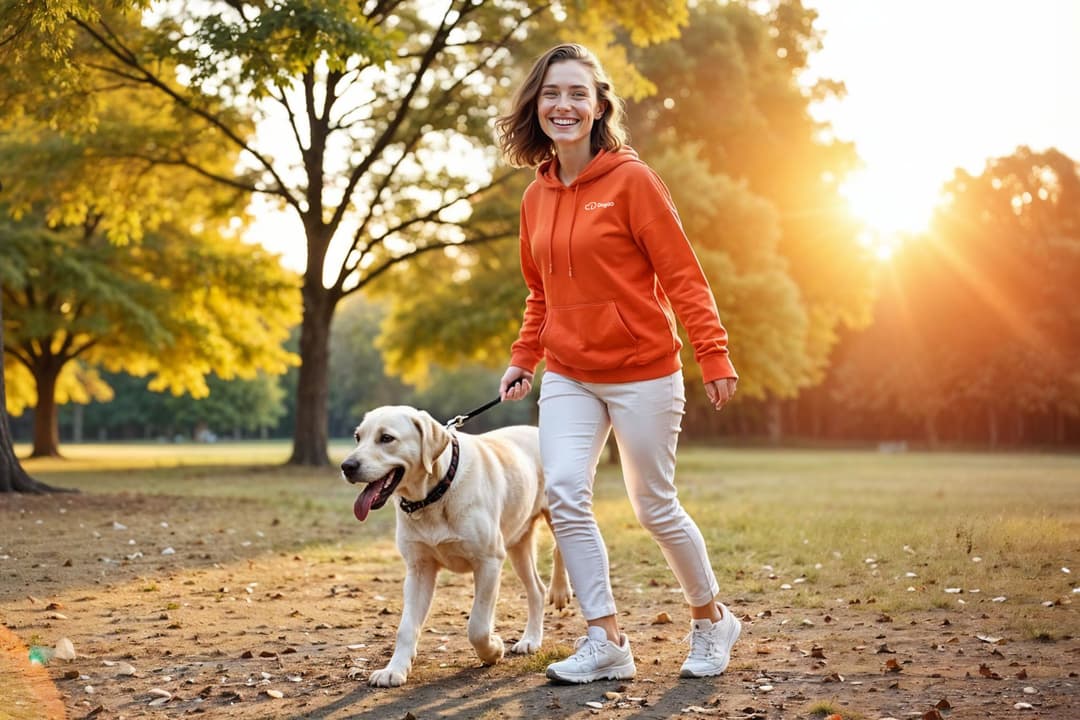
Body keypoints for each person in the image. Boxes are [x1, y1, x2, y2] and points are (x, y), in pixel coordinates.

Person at [494, 43, 741, 685]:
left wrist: (712, 352)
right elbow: (540, 292)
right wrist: (526, 357)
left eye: (578, 93)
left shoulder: (633, 181)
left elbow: (683, 276)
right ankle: (605, 639)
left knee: (653, 505)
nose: (564, 105)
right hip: (569, 373)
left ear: (600, 105)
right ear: (537, 106)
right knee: (565, 493)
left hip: (643, 370)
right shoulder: (534, 198)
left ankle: (712, 619)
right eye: (552, 93)